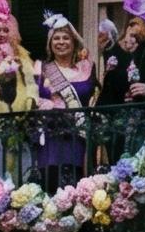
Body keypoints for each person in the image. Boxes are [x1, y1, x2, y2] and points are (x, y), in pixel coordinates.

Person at [33, 12, 97, 183]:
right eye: (56, 38)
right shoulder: (41, 68)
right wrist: (47, 105)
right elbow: (31, 98)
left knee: (78, 183)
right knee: (51, 182)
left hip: (78, 135)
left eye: (66, 38)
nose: (61, 42)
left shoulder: (86, 68)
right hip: (50, 136)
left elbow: (94, 97)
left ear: (74, 41)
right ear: (50, 43)